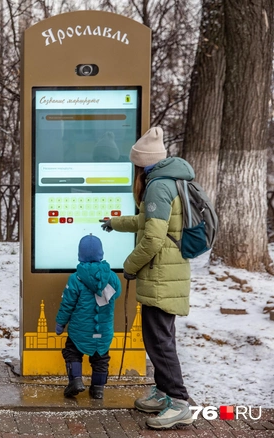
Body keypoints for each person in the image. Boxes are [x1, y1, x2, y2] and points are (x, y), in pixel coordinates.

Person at [100, 126, 195, 429]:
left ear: (142, 163)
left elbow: (152, 239)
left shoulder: (157, 186)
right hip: (167, 273)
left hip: (161, 275)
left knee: (159, 341)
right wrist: (116, 223)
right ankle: (165, 392)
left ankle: (179, 402)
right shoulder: (169, 179)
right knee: (160, 337)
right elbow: (148, 221)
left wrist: (129, 265)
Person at [55, 234, 121, 399]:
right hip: (103, 331)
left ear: (80, 255)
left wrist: (60, 323)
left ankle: (75, 380)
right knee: (101, 358)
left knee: (72, 352)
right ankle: (98, 389)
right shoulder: (111, 277)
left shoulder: (76, 278)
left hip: (80, 330)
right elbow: (117, 294)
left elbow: (67, 304)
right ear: (101, 254)